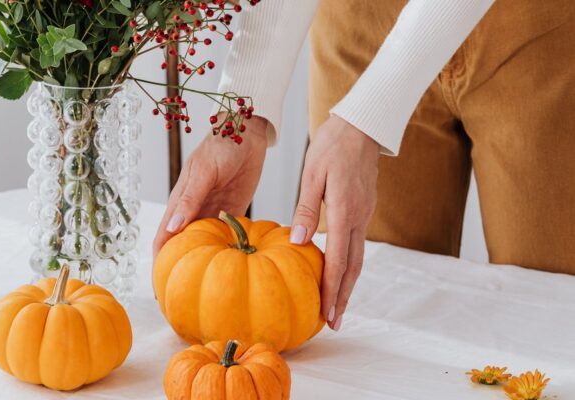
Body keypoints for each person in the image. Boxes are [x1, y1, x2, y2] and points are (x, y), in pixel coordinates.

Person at [153, 0, 575, 332]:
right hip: (359, 24)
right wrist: (244, 108)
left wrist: (369, 114)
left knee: (552, 313)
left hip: (536, 29)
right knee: (373, 316)